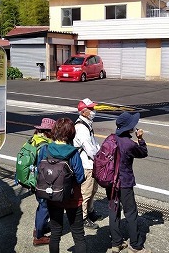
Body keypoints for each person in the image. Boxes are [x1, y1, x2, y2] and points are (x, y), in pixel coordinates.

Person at [37, 117, 87, 253]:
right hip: (72, 198)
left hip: (52, 195)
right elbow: (80, 177)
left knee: (55, 233)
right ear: (71, 133)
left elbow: (39, 171)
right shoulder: (73, 153)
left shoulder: (45, 149)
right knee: (78, 236)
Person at [106, 112, 151, 253]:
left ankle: (116, 243)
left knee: (114, 211)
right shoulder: (129, 144)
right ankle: (136, 245)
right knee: (131, 212)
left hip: (111, 182)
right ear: (129, 127)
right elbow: (143, 152)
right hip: (125, 182)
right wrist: (141, 139)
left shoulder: (110, 139)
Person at [73, 98, 103, 229]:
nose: (93, 111)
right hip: (86, 164)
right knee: (86, 192)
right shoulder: (81, 127)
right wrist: (100, 159)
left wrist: (100, 153)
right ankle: (83, 218)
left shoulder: (87, 124)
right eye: (91, 109)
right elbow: (89, 149)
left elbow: (94, 143)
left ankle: (90, 212)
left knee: (93, 190)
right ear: (84, 112)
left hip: (92, 163)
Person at [31, 118, 56, 246]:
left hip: (33, 179)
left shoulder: (35, 139)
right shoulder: (45, 145)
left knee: (41, 205)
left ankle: (38, 228)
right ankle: (39, 236)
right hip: (41, 181)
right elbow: (45, 165)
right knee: (44, 207)